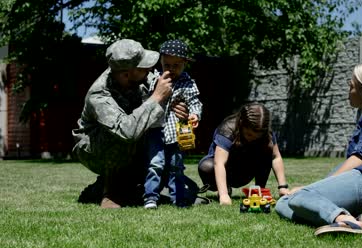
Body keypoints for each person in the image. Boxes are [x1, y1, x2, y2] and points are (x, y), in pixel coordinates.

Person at [275, 61, 362, 236]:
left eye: (351, 86)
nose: (349, 91)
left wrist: (311, 189)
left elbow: (361, 157)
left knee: (300, 197)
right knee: (283, 204)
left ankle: (345, 221)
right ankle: (358, 216)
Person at [72, 39, 189, 209]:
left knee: (162, 159)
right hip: (96, 149)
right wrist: (156, 98)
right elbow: (126, 131)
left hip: (132, 142)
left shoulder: (140, 78)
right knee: (124, 132)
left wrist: (177, 107)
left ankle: (123, 188)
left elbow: (161, 101)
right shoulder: (99, 95)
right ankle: (111, 191)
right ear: (127, 74)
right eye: (143, 67)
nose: (149, 69)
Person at [143, 40, 202, 209]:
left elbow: (195, 103)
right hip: (156, 130)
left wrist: (194, 115)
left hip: (179, 131)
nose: (171, 69)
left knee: (177, 166)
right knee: (155, 163)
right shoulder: (154, 79)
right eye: (166, 64)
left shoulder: (188, 83)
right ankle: (150, 198)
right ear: (160, 62)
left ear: (185, 64)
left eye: (176, 65)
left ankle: (178, 199)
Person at [198, 102, 290, 205]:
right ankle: (225, 188)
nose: (252, 139)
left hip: (245, 170)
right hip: (223, 170)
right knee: (206, 166)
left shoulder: (265, 133)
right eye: (249, 134)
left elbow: (275, 157)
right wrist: (223, 195)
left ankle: (259, 190)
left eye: (257, 136)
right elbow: (219, 163)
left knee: (267, 152)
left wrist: (283, 187)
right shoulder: (228, 129)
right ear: (241, 123)